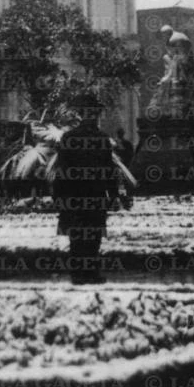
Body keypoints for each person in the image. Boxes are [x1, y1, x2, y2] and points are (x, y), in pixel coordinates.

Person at [52, 95, 119, 284]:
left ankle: (79, 274)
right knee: (92, 233)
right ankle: (89, 272)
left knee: (78, 233)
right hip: (94, 193)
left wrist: (58, 194)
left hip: (73, 193)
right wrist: (113, 194)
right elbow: (109, 170)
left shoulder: (69, 137)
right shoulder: (102, 138)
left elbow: (61, 168)